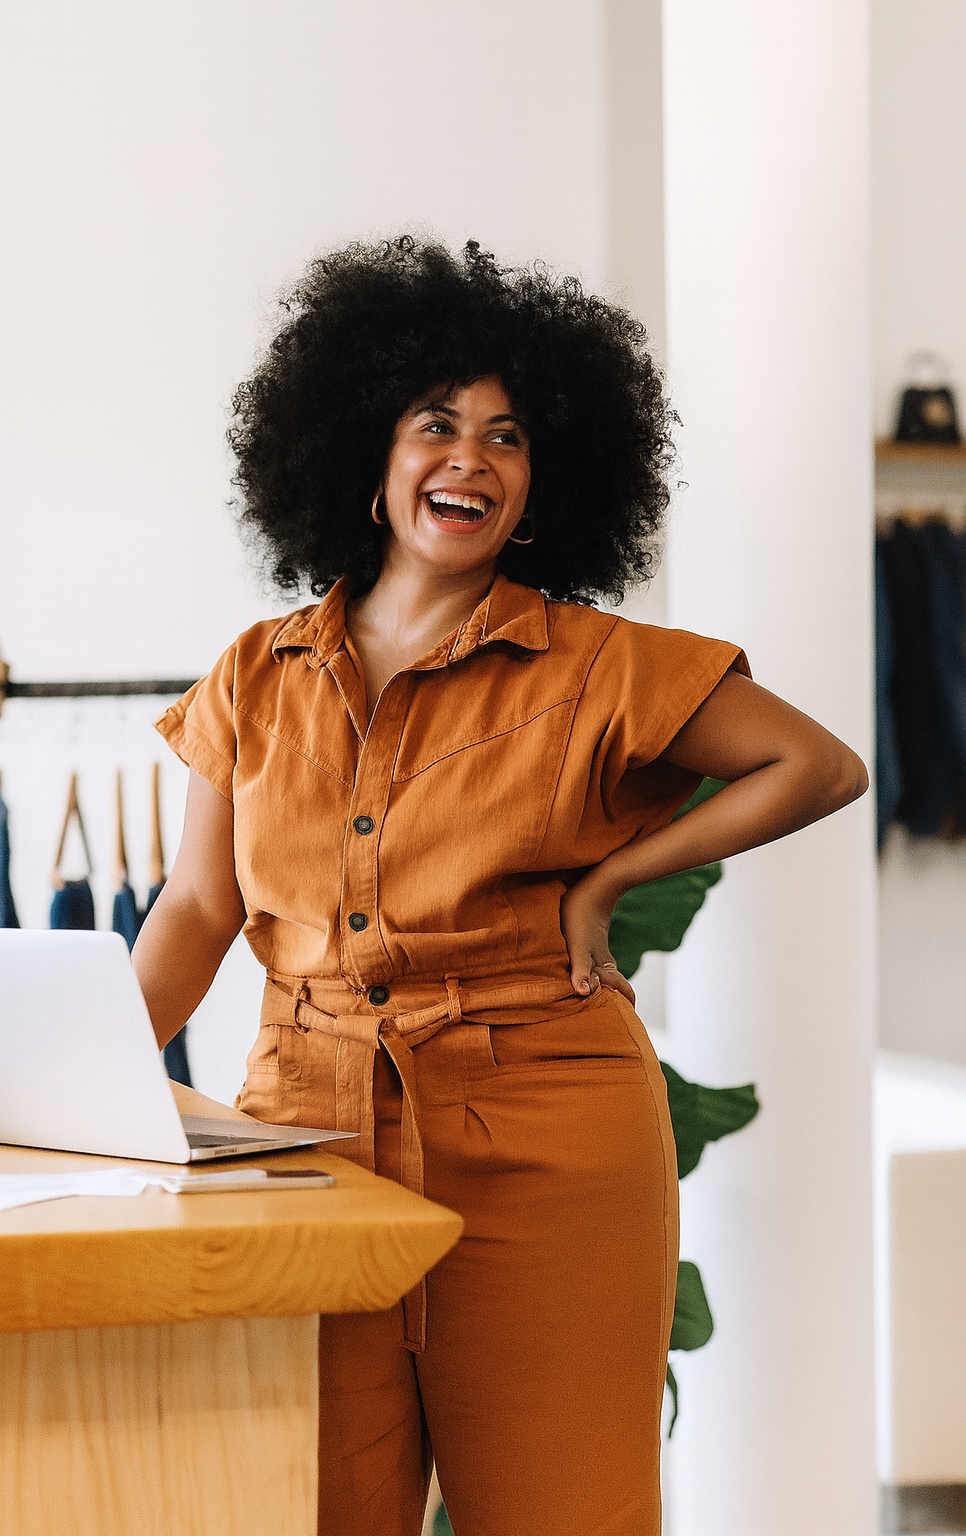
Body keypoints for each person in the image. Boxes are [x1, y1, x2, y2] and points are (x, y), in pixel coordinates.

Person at [132, 237, 867, 1536]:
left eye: (510, 435)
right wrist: (79, 1092)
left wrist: (614, 880)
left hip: (547, 1134)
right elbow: (196, 912)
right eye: (436, 424)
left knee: (560, 1512)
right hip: (305, 1141)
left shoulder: (600, 665)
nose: (471, 456)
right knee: (309, 1509)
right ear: (366, 453)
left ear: (543, 487)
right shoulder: (252, 673)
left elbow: (813, 763)